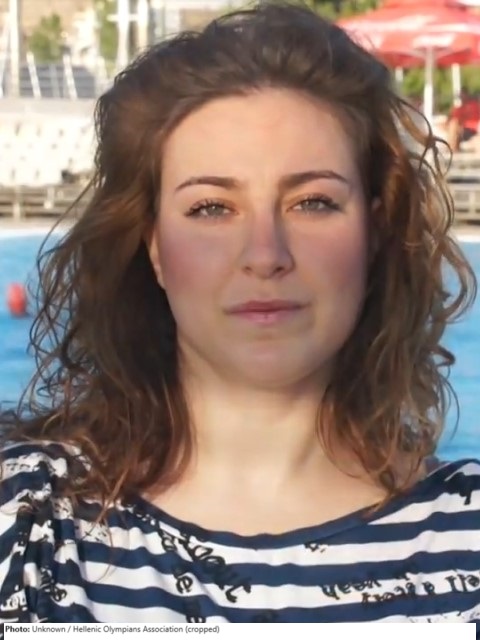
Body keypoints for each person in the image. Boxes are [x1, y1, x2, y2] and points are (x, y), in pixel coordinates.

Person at [0, 1, 478, 624]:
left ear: (375, 234)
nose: (265, 254)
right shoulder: (28, 523)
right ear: (153, 247)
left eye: (312, 202)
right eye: (211, 208)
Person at [447, 87, 480, 152]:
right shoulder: (458, 109)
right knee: (453, 124)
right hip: (463, 130)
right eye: (461, 95)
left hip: (473, 129)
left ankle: (452, 149)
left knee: (454, 125)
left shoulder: (475, 105)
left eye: (464, 94)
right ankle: (452, 149)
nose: (462, 97)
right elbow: (452, 120)